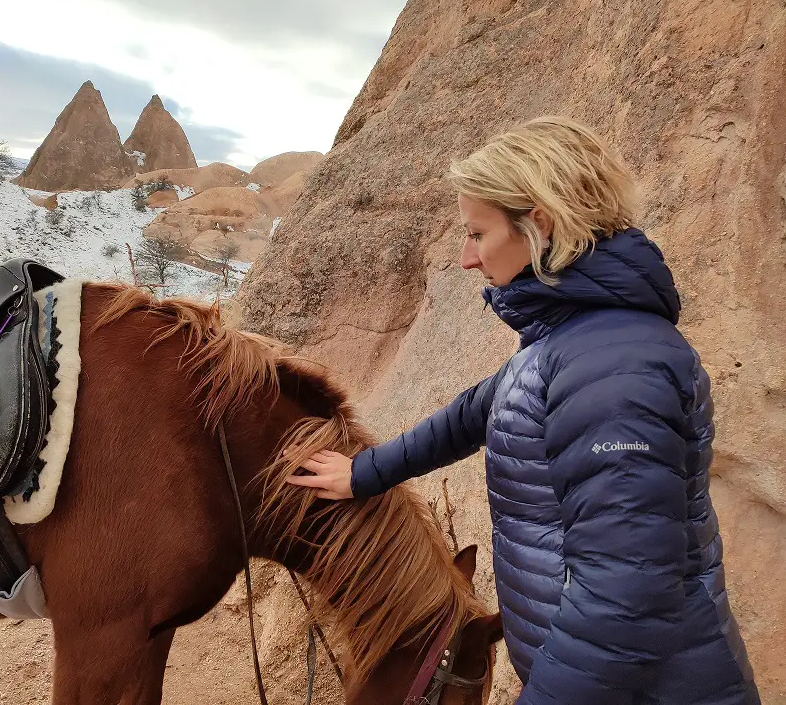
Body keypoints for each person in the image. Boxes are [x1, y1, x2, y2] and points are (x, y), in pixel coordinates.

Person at [286, 117, 760, 703]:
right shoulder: (571, 340)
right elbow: (477, 413)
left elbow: (625, 594)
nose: (466, 258)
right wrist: (363, 473)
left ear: (538, 224)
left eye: (477, 234)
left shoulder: (618, 367)